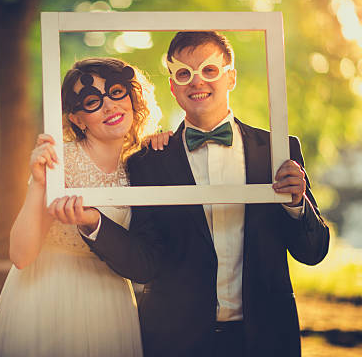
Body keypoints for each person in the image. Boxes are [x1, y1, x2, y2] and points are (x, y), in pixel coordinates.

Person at [50, 31, 330, 357]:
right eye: (184, 73)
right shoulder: (147, 162)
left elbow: (313, 251)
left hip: (266, 337)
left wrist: (297, 204)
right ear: (173, 86)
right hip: (176, 341)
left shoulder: (277, 151)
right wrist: (93, 223)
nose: (197, 82)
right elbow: (145, 264)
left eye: (209, 70)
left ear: (231, 77)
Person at [0, 57, 165, 357]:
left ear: (132, 98)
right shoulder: (57, 162)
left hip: (110, 302)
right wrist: (40, 184)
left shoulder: (141, 164)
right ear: (78, 119)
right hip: (48, 296)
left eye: (116, 92)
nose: (109, 106)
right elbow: (20, 255)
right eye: (93, 101)